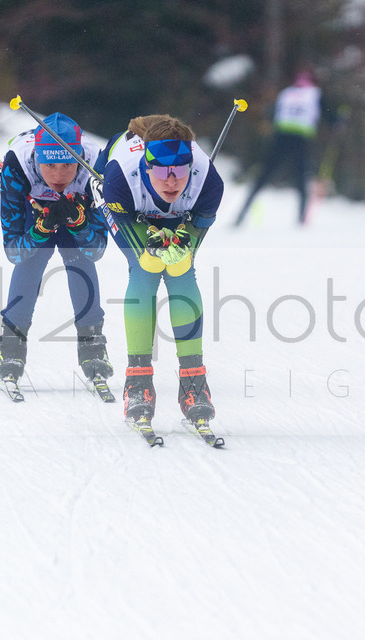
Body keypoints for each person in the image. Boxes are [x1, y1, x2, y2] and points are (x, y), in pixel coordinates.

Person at [96, 114, 224, 427]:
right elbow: (137, 245)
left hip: (180, 214)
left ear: (190, 166)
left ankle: (194, 383)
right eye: (163, 171)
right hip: (127, 207)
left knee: (181, 268)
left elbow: (190, 242)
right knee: (146, 268)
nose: (171, 181)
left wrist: (182, 239)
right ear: (147, 164)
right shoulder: (119, 178)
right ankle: (138, 382)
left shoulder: (209, 182)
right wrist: (151, 243)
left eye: (180, 170)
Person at [0, 112, 112, 390]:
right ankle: (10, 351)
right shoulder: (16, 166)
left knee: (79, 257)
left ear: (80, 157)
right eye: (49, 166)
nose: (58, 176)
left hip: (79, 204)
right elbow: (14, 252)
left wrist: (80, 222)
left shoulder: (97, 167)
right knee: (32, 259)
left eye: (68, 165)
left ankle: (93, 347)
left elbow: (96, 250)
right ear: (37, 158)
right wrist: (39, 231)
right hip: (33, 209)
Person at [235, 72, 325, 226]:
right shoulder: (315, 94)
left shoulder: (286, 93)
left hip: (280, 138)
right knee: (301, 178)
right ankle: (302, 218)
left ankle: (242, 214)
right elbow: (331, 116)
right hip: (300, 139)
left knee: (263, 176)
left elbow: (271, 112)